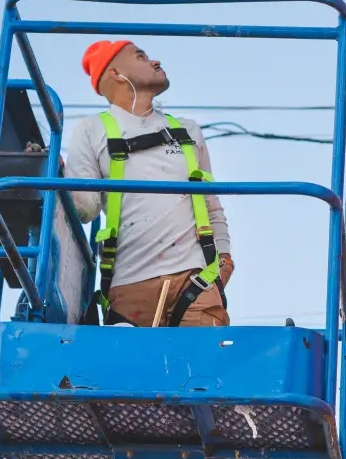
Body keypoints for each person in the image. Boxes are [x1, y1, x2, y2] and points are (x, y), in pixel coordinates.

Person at [66, 39, 234, 327]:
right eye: (141, 57)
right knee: (135, 359)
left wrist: (225, 257)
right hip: (130, 282)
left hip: (196, 278)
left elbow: (210, 203)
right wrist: (56, 175)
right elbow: (85, 209)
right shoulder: (92, 129)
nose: (155, 61)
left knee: (203, 357)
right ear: (116, 73)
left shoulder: (187, 130)